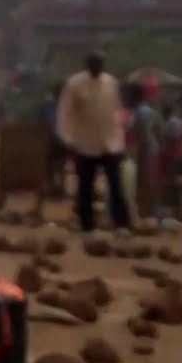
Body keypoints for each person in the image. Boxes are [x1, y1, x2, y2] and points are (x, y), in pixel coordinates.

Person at [56, 52, 130, 232]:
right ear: (88, 65)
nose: (98, 67)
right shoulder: (74, 84)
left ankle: (121, 223)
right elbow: (65, 112)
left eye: (101, 64)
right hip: (85, 142)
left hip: (110, 142)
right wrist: (67, 138)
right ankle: (86, 225)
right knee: (85, 186)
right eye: (94, 64)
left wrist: (121, 135)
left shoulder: (111, 82)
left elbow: (117, 109)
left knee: (116, 185)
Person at [128, 82, 164, 225]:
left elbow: (142, 134)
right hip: (150, 149)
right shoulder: (148, 111)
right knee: (149, 182)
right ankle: (150, 212)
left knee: (145, 182)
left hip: (145, 150)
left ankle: (149, 212)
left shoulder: (140, 112)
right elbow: (158, 130)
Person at [161, 104, 182, 215]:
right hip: (177, 155)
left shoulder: (169, 123)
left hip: (172, 156)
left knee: (173, 182)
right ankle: (179, 205)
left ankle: (175, 206)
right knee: (177, 181)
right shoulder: (177, 122)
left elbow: (170, 139)